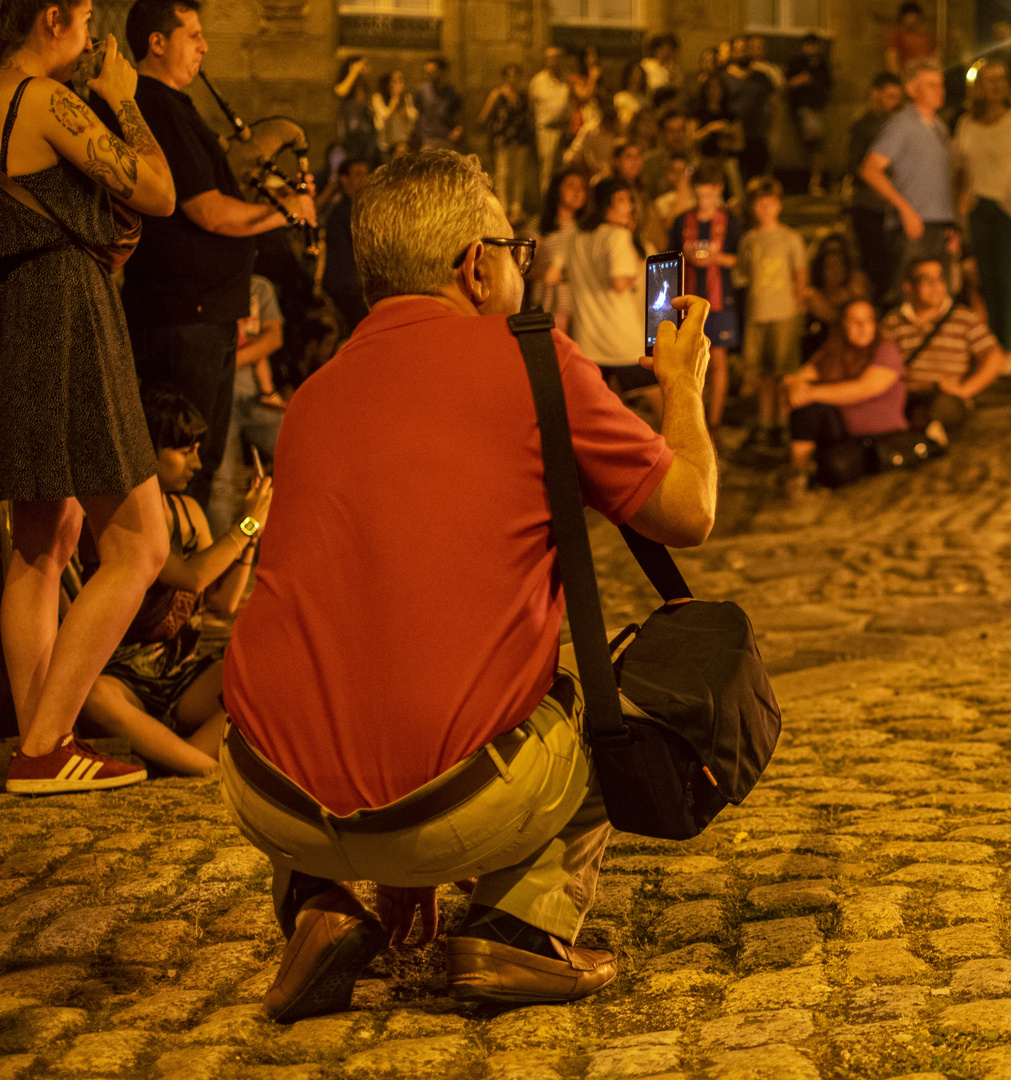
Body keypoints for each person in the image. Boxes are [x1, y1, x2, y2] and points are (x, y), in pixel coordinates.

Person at [218, 148, 718, 1021]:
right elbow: (689, 511)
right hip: (454, 799)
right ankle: (520, 929)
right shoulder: (533, 360)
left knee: (323, 652)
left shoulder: (314, 396)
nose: (521, 263)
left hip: (272, 795)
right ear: (474, 265)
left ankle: (322, 909)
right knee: (611, 708)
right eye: (514, 247)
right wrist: (681, 385)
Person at [1, 0, 178, 793]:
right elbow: (158, 191)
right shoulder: (42, 99)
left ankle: (38, 737)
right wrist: (125, 96)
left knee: (44, 540)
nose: (91, 39)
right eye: (85, 21)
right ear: (51, 17)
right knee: (141, 542)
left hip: (16, 309)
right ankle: (47, 743)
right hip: (68, 309)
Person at [97, 0, 314, 507]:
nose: (205, 46)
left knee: (201, 462)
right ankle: (169, 575)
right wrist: (290, 212)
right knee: (178, 464)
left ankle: (187, 577)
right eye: (193, 35)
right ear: (157, 41)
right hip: (181, 320)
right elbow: (208, 212)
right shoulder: (154, 106)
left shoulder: (175, 106)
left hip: (202, 317)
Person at [84, 385, 270, 777]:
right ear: (148, 450)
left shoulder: (189, 512)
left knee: (265, 680)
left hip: (181, 673)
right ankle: (204, 766)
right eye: (186, 451)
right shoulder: (123, 514)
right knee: (96, 696)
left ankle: (178, 757)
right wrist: (246, 524)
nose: (197, 465)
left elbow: (223, 601)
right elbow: (192, 575)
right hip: (124, 678)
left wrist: (251, 536)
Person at [955, 60, 1011, 377]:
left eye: (1000, 79)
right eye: (988, 80)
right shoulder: (967, 124)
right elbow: (962, 168)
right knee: (987, 279)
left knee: (1008, 278)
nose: (995, 85)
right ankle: (994, 344)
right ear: (976, 86)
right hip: (981, 207)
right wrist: (960, 207)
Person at [782, 299, 909, 495]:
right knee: (806, 410)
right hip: (843, 432)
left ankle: (815, 471)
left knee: (836, 467)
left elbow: (864, 388)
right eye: (854, 321)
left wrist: (811, 393)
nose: (862, 327)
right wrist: (797, 385)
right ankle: (798, 472)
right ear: (842, 325)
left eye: (868, 320)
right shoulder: (834, 351)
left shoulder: (886, 351)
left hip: (880, 438)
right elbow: (802, 374)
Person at [879, 258, 1003, 445]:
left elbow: (994, 357)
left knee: (940, 408)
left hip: (945, 396)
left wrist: (965, 389)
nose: (935, 286)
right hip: (907, 395)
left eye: (939, 279)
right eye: (926, 280)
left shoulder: (963, 317)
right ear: (908, 287)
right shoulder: (892, 322)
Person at [861, 59, 953, 302]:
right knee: (912, 295)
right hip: (912, 227)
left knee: (941, 296)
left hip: (938, 225)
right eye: (930, 84)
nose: (939, 90)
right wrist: (904, 209)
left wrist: (951, 222)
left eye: (940, 84)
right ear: (912, 90)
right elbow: (871, 170)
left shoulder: (940, 128)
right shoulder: (901, 125)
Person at [205, 272, 286, 535]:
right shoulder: (208, 285)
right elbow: (265, 342)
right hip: (219, 397)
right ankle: (221, 560)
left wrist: (228, 364)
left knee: (301, 453)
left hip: (256, 396)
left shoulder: (258, 287)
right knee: (221, 483)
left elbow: (274, 337)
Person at [735, 177, 807, 449]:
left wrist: (799, 305)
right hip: (757, 314)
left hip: (784, 313)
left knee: (784, 372)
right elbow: (741, 274)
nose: (765, 209)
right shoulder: (749, 240)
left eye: (770, 203)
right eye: (760, 204)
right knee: (763, 374)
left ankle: (786, 423)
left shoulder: (790, 238)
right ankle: (767, 423)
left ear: (778, 205)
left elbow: (800, 274)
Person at [564, 177, 650, 407]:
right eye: (621, 200)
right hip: (623, 342)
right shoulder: (617, 236)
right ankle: (681, 443)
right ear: (604, 205)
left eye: (629, 200)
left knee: (608, 409)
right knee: (661, 396)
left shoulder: (577, 238)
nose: (629, 206)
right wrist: (639, 266)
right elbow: (620, 281)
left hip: (590, 341)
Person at [668, 162, 738, 428]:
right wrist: (687, 258)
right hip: (688, 301)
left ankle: (715, 422)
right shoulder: (682, 221)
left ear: (718, 191)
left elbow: (740, 260)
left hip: (720, 299)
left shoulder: (729, 220)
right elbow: (670, 258)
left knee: (718, 361)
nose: (703, 202)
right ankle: (693, 420)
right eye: (698, 196)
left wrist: (716, 257)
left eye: (708, 196)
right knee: (690, 360)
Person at [846, 72, 904, 301]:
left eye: (897, 97)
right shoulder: (863, 126)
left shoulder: (897, 123)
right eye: (889, 96)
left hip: (891, 207)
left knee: (891, 264)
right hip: (869, 206)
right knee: (873, 263)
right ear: (876, 94)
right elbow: (854, 165)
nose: (893, 102)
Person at [535, 166, 589, 334]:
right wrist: (548, 270)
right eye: (570, 186)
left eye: (581, 188)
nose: (577, 192)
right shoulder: (540, 227)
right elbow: (523, 267)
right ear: (557, 190)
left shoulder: (586, 230)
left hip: (581, 310)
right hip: (550, 308)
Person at [321, 158, 370, 339]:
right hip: (347, 286)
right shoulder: (340, 212)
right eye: (358, 174)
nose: (364, 179)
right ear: (344, 179)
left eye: (366, 174)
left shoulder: (362, 207)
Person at [479, 62, 531, 222]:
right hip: (503, 140)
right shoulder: (498, 94)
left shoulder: (523, 95)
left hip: (520, 139)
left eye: (516, 75)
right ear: (505, 77)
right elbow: (484, 117)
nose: (513, 79)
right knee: (503, 174)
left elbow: (527, 116)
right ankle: (503, 206)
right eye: (510, 75)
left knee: (518, 175)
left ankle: (516, 207)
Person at [803, 234, 870, 358]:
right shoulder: (813, 294)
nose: (835, 270)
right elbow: (832, 318)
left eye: (838, 265)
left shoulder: (856, 285)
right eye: (829, 266)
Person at [786, 34, 832, 196]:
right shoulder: (797, 63)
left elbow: (828, 85)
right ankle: (811, 182)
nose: (811, 48)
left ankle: (814, 182)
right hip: (804, 109)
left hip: (818, 109)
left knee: (816, 147)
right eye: (808, 45)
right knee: (813, 144)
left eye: (814, 45)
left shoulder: (822, 64)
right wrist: (800, 80)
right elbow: (787, 84)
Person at [724, 36, 773, 182]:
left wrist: (770, 129)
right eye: (738, 50)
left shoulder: (761, 77)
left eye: (745, 50)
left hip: (757, 136)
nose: (742, 54)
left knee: (756, 180)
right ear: (732, 53)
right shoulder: (724, 79)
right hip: (733, 138)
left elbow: (772, 103)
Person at [530, 47, 571, 202]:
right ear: (546, 61)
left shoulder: (567, 80)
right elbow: (531, 107)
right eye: (551, 58)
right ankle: (546, 206)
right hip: (545, 131)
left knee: (563, 171)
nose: (554, 62)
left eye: (558, 58)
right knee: (546, 172)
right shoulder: (537, 82)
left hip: (564, 131)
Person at [332, 56, 378, 171]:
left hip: (366, 133)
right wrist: (354, 72)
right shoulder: (348, 82)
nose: (366, 67)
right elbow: (341, 91)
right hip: (350, 134)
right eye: (363, 64)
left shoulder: (364, 86)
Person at [642, 110, 692, 202]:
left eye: (680, 130)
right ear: (662, 134)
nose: (678, 136)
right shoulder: (650, 163)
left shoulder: (693, 158)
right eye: (672, 131)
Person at [415, 56, 462, 151]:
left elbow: (458, 115)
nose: (428, 76)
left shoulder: (452, 93)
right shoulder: (421, 91)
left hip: (445, 139)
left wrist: (458, 130)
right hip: (427, 139)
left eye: (432, 72)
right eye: (426, 73)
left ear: (441, 72)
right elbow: (416, 114)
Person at [885, 1, 936, 78]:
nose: (912, 20)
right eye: (909, 17)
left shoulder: (925, 36)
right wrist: (897, 77)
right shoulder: (897, 35)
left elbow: (934, 56)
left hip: (925, 76)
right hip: (907, 77)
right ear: (902, 18)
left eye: (914, 16)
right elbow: (891, 59)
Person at [372, 69, 416, 158]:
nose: (399, 84)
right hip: (385, 144)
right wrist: (394, 99)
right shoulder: (378, 98)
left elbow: (412, 118)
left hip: (401, 143)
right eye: (395, 81)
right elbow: (384, 117)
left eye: (401, 80)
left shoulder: (406, 98)